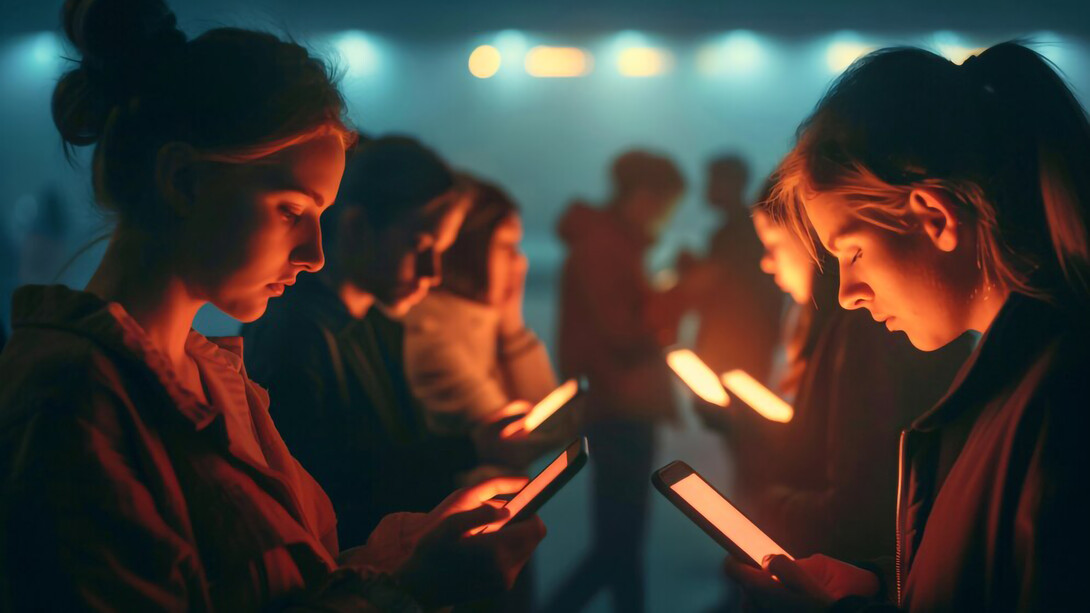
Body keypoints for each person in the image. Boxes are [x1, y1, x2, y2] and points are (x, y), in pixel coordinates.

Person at [0, 1, 543, 609]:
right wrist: (408, 595)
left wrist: (404, 555)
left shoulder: (215, 377)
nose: (316, 253)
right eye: (291, 210)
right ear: (183, 181)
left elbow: (297, 586)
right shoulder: (72, 403)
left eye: (320, 217)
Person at [724, 43, 1090, 611]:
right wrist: (876, 587)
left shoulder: (1062, 403)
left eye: (852, 252)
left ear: (935, 217)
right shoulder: (1017, 376)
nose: (846, 295)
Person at [242, 136, 495, 549]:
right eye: (420, 246)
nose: (433, 272)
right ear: (357, 228)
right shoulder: (295, 338)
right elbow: (335, 489)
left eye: (442, 250)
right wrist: (471, 450)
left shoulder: (375, 323)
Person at [738, 209, 970, 561]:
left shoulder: (869, 331)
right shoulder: (847, 330)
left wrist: (764, 499)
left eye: (773, 243)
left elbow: (861, 510)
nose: (767, 263)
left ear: (811, 243)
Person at [541, 150, 685, 613]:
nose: (665, 216)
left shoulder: (610, 243)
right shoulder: (603, 247)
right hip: (619, 405)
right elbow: (623, 334)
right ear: (642, 196)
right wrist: (683, 294)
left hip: (620, 402)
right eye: (665, 205)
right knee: (618, 545)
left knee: (619, 545)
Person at [403, 178, 566, 471]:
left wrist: (511, 325)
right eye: (507, 247)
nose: (520, 263)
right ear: (467, 248)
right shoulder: (431, 335)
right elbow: (527, 442)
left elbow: (552, 424)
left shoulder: (475, 325)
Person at [689, 156, 783, 382]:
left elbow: (711, 282)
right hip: (752, 339)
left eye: (712, 181)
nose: (707, 189)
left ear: (732, 184)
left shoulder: (735, 232)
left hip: (733, 341)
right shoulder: (742, 228)